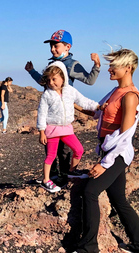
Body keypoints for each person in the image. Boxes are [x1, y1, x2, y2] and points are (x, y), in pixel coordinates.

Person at [65, 48, 139, 253]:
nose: (109, 69)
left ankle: (89, 248)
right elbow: (97, 112)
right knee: (118, 199)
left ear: (128, 68)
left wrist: (105, 164)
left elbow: (125, 135)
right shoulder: (115, 92)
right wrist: (69, 103)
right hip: (109, 152)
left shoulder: (130, 96)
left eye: (114, 65)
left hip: (118, 154)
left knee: (90, 192)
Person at [25, 30, 101, 185]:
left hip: (64, 114)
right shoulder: (51, 64)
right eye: (51, 45)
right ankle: (52, 176)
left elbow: (89, 80)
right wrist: (31, 71)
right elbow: (42, 82)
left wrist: (97, 65)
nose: (53, 49)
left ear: (67, 47)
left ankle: (66, 175)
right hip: (52, 113)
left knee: (65, 148)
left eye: (56, 45)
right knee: (51, 147)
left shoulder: (73, 65)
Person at [36, 62, 99, 192]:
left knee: (79, 150)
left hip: (66, 128)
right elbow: (41, 114)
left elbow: (83, 101)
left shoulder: (70, 91)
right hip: (52, 129)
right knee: (51, 156)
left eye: (54, 79)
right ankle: (46, 180)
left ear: (63, 77)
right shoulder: (47, 95)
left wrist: (97, 106)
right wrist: (42, 132)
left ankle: (71, 171)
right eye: (48, 80)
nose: (51, 82)